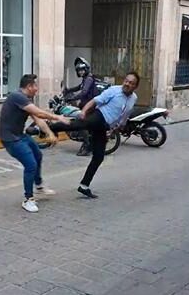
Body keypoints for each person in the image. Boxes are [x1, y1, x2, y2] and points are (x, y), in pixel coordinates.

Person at [48, 71, 140, 199]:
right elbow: (95, 100)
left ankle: (84, 186)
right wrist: (84, 112)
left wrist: (115, 129)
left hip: (105, 126)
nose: (127, 84)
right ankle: (48, 127)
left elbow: (124, 115)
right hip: (98, 116)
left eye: (131, 83)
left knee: (99, 156)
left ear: (135, 86)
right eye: (126, 81)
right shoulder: (114, 90)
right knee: (78, 124)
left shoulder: (133, 98)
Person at [0, 74, 72, 212]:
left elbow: (38, 119)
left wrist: (50, 133)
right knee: (31, 164)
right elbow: (40, 112)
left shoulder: (26, 99)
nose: (37, 89)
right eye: (35, 86)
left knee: (38, 155)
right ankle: (28, 199)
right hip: (10, 139)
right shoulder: (17, 97)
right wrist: (58, 117)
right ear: (29, 87)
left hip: (20, 135)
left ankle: (39, 186)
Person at [65, 57, 97, 156]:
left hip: (90, 106)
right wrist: (68, 90)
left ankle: (87, 145)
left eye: (82, 70)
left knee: (80, 122)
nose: (81, 72)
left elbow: (84, 92)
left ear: (86, 69)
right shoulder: (85, 79)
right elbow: (79, 87)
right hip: (86, 104)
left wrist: (72, 98)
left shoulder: (89, 79)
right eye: (79, 71)